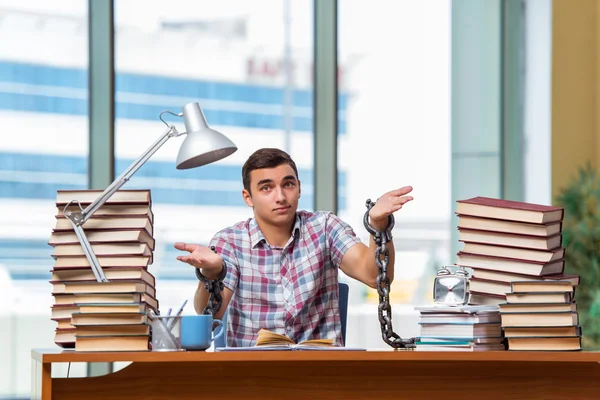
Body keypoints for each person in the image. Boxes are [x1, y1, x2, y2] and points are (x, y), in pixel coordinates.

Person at [175, 148, 413, 347]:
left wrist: (378, 223)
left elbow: (375, 277)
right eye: (266, 188)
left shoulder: (326, 227)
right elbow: (210, 314)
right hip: (251, 376)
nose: (280, 196)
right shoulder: (230, 241)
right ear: (248, 197)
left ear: (298, 187)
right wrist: (212, 274)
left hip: (320, 375)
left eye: (287, 184)